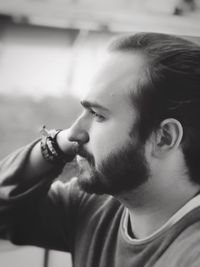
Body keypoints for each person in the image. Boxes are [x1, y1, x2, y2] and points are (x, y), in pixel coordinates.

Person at [1, 32, 200, 267]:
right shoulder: (93, 205)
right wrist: (54, 146)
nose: (72, 133)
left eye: (98, 115)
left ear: (164, 138)